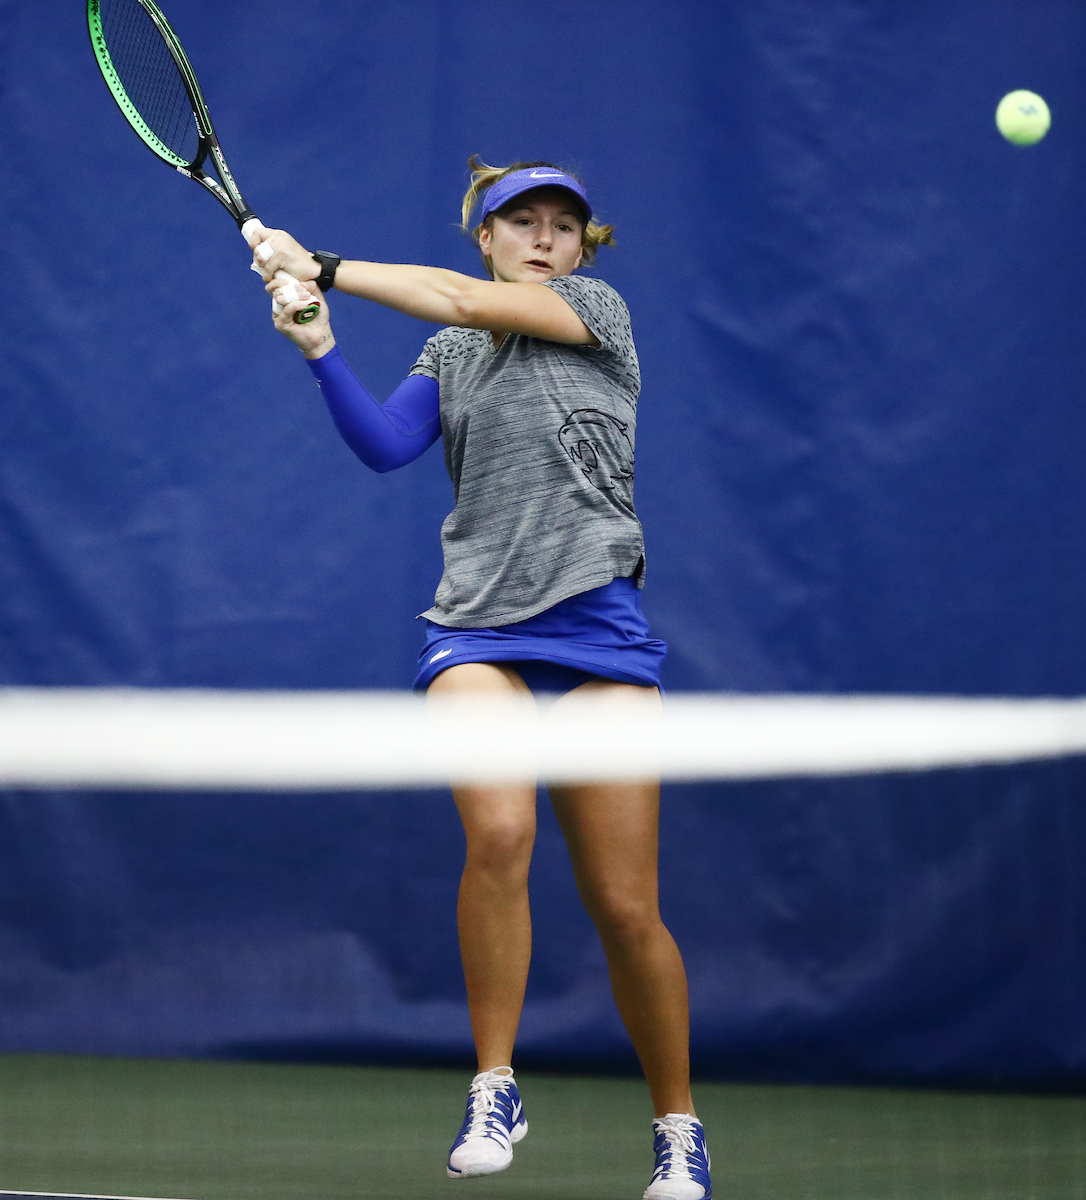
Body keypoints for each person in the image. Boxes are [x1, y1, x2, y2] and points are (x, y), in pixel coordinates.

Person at [247, 158, 711, 1200]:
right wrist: (322, 349)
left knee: (625, 905)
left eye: (563, 226)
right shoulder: (451, 350)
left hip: (600, 631)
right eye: (521, 224)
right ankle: (494, 1082)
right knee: (499, 835)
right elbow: (386, 447)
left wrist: (321, 263)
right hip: (478, 632)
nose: (545, 239)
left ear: (583, 249)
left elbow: (456, 295)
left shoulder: (596, 311)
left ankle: (678, 1127)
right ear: (487, 236)